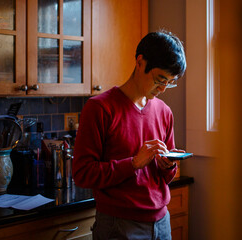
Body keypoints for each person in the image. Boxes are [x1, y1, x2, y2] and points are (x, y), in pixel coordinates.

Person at [72, 30, 186, 240]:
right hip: (119, 225)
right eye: (160, 79)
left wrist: (168, 165)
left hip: (162, 223)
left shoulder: (164, 111)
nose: (162, 89)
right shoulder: (99, 108)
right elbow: (82, 173)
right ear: (140, 62)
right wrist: (133, 163)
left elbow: (164, 178)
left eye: (170, 82)